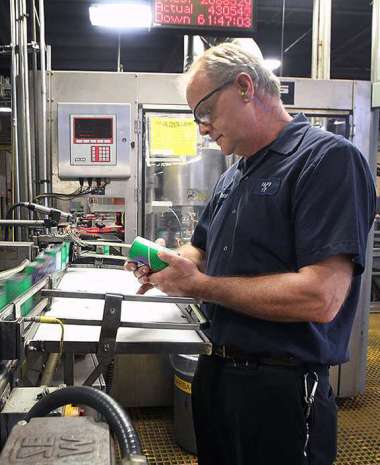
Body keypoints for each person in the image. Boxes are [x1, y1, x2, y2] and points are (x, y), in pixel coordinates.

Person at [126, 43, 376, 465]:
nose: (201, 128)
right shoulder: (233, 176)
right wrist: (168, 264)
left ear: (244, 86)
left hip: (281, 389)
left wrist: (200, 286)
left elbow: (321, 297)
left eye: (204, 112)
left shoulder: (327, 161)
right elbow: (200, 250)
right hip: (218, 376)